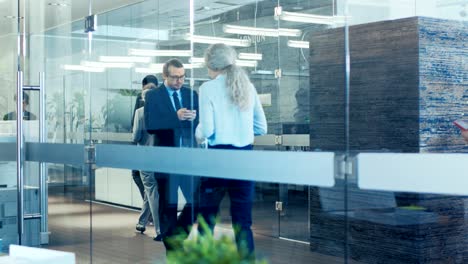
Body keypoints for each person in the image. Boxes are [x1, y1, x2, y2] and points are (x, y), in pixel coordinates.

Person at [195, 43, 267, 256]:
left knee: (207, 218)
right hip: (244, 158)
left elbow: (207, 130)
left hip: (218, 158)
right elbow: (261, 127)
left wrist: (198, 133)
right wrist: (241, 129)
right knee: (242, 221)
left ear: (210, 64)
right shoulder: (248, 86)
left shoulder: (207, 88)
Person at [144, 58, 199, 250]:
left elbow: (199, 123)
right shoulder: (153, 96)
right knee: (168, 205)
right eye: (175, 77)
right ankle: (172, 250)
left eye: (182, 77)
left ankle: (178, 236)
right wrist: (175, 117)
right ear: (165, 76)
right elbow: (151, 125)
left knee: (197, 201)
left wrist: (195, 119)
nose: (179, 81)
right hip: (166, 159)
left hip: (188, 158)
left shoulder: (190, 94)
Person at [132, 83, 162, 241]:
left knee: (152, 192)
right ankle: (141, 222)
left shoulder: (140, 112)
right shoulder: (162, 112)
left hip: (144, 157)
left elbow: (135, 137)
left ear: (143, 98)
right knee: (150, 191)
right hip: (160, 158)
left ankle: (159, 229)